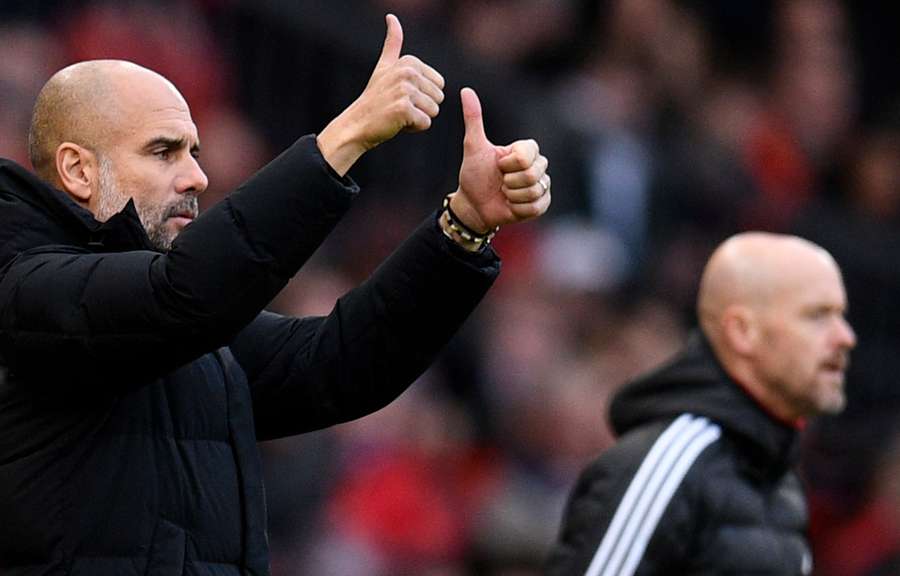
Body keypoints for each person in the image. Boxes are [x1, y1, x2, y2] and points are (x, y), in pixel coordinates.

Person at [0, 14, 551, 576]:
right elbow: (182, 296)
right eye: (164, 152)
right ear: (78, 170)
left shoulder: (192, 332)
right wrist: (348, 135)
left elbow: (341, 363)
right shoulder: (23, 290)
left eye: (194, 152)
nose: (197, 176)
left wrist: (461, 227)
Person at [546, 232, 857, 576]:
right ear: (742, 332)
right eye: (817, 315)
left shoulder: (782, 482)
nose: (845, 336)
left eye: (841, 315)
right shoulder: (668, 464)